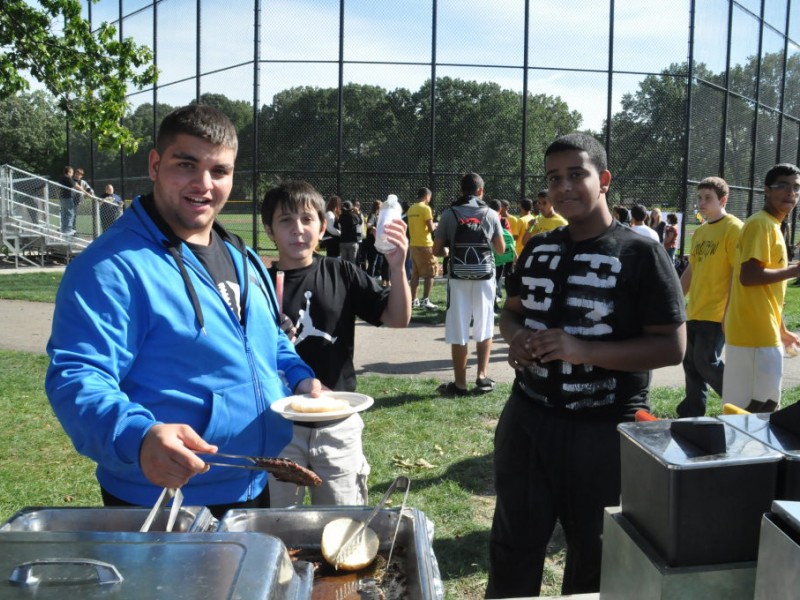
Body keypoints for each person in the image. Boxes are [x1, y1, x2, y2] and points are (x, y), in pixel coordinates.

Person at [45, 105, 321, 519]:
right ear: (155, 164)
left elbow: (270, 339)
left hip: (252, 481)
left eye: (219, 171)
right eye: (186, 164)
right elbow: (79, 376)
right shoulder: (111, 267)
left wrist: (301, 379)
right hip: (162, 497)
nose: (203, 184)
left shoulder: (241, 256)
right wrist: (140, 438)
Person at [486, 133, 685, 598]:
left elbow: (672, 347)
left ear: (605, 180)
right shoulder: (538, 245)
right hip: (528, 418)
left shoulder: (641, 253)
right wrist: (516, 339)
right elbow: (511, 310)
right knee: (514, 543)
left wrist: (584, 350)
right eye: (555, 178)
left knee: (594, 554)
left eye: (577, 174)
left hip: (605, 426)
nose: (564, 187)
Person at [261, 180, 411, 506]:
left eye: (306, 219)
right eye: (285, 220)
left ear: (323, 225)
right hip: (277, 426)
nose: (297, 229)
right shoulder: (258, 284)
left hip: (336, 423)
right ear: (270, 230)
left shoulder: (340, 271)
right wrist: (269, 340)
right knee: (275, 527)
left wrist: (397, 267)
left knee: (343, 524)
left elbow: (397, 317)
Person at [723, 163, 800, 412]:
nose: (791, 192)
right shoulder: (761, 225)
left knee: (750, 410)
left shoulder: (772, 225)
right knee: (757, 412)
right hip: (753, 334)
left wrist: (781, 329)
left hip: (759, 332)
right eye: (783, 186)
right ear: (766, 190)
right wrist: (795, 270)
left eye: (796, 188)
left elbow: (764, 292)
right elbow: (750, 276)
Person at [432, 172, 505, 397]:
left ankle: (460, 384)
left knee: (459, 329)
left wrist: (449, 250)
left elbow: (436, 250)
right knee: (484, 326)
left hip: (458, 277)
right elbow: (500, 249)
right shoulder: (490, 214)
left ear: (461, 191)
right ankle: (482, 376)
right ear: (481, 191)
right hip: (485, 278)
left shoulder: (449, 214)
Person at [676, 177, 743, 418]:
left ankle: (741, 403)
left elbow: (737, 274)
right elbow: (692, 270)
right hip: (695, 309)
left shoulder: (734, 228)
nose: (701, 203)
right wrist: (676, 299)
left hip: (716, 313)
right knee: (691, 365)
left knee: (706, 361)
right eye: (699, 197)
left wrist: (728, 313)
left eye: (708, 198)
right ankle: (691, 414)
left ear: (722, 200)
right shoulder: (701, 231)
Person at [407, 186, 439, 309]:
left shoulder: (411, 208)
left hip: (413, 245)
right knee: (430, 274)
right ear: (427, 196)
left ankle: (413, 300)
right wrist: (436, 225)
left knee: (415, 274)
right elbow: (431, 228)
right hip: (425, 245)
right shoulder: (426, 208)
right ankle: (426, 301)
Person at [58, 166, 81, 234]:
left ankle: (63, 229)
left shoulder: (61, 178)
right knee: (71, 213)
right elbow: (76, 186)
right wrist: (86, 193)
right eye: (72, 172)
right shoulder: (68, 178)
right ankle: (68, 229)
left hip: (62, 198)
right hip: (67, 198)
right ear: (69, 172)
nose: (72, 174)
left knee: (64, 214)